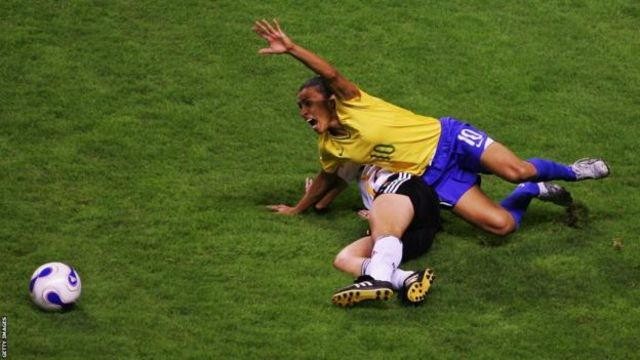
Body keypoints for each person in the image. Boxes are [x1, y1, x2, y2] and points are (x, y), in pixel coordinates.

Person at [254, 19, 609, 300]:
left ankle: (574, 171)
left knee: (515, 170)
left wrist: (290, 49)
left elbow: (330, 74)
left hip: (449, 139)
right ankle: (532, 191)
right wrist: (299, 209)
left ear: (330, 101)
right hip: (432, 179)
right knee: (501, 226)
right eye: (299, 106)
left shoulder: (352, 101)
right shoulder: (332, 147)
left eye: (307, 103)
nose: (302, 111)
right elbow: (327, 179)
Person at [329, 164, 441, 306]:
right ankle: (407, 278)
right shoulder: (354, 166)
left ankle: (377, 280)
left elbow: (327, 181)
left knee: (385, 236)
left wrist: (301, 204)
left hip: (405, 186)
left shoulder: (370, 158)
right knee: (344, 259)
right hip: (415, 232)